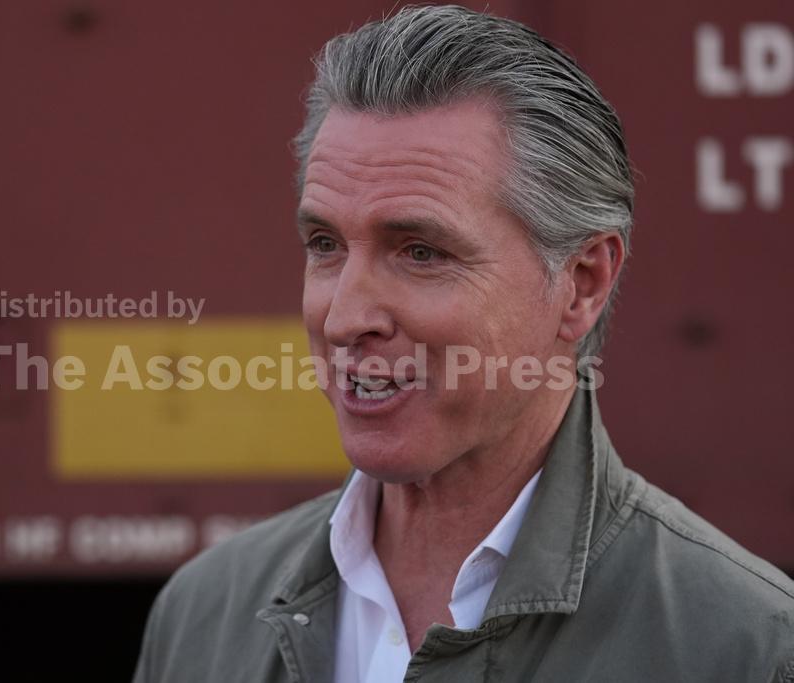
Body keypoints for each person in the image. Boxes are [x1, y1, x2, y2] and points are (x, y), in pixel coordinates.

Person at [133, 6, 794, 681]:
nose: (344, 318)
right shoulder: (203, 616)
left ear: (581, 283)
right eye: (325, 244)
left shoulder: (744, 649)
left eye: (420, 252)